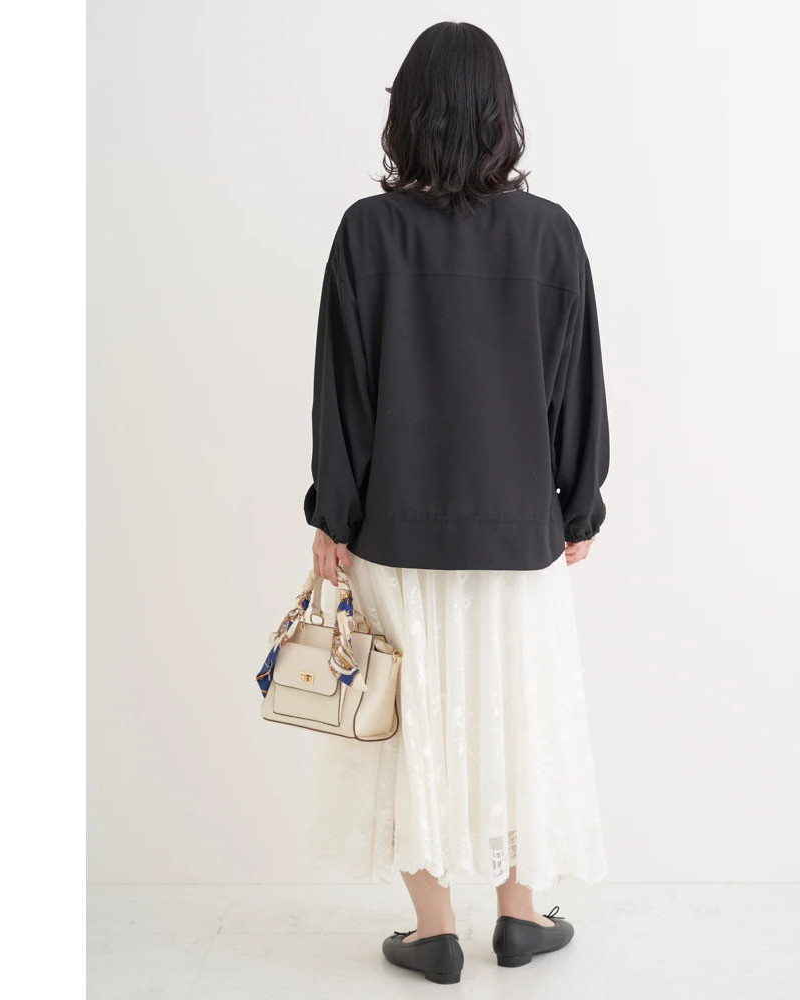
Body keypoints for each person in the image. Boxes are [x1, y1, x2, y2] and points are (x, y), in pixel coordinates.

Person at [302, 21, 610, 985]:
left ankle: (433, 930)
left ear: (406, 115)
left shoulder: (367, 231)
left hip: (394, 529)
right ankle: (519, 916)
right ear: (499, 116)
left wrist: (333, 515)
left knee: (410, 724)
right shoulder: (551, 234)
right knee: (517, 719)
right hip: (519, 533)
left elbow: (343, 393)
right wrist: (579, 506)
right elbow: (578, 385)